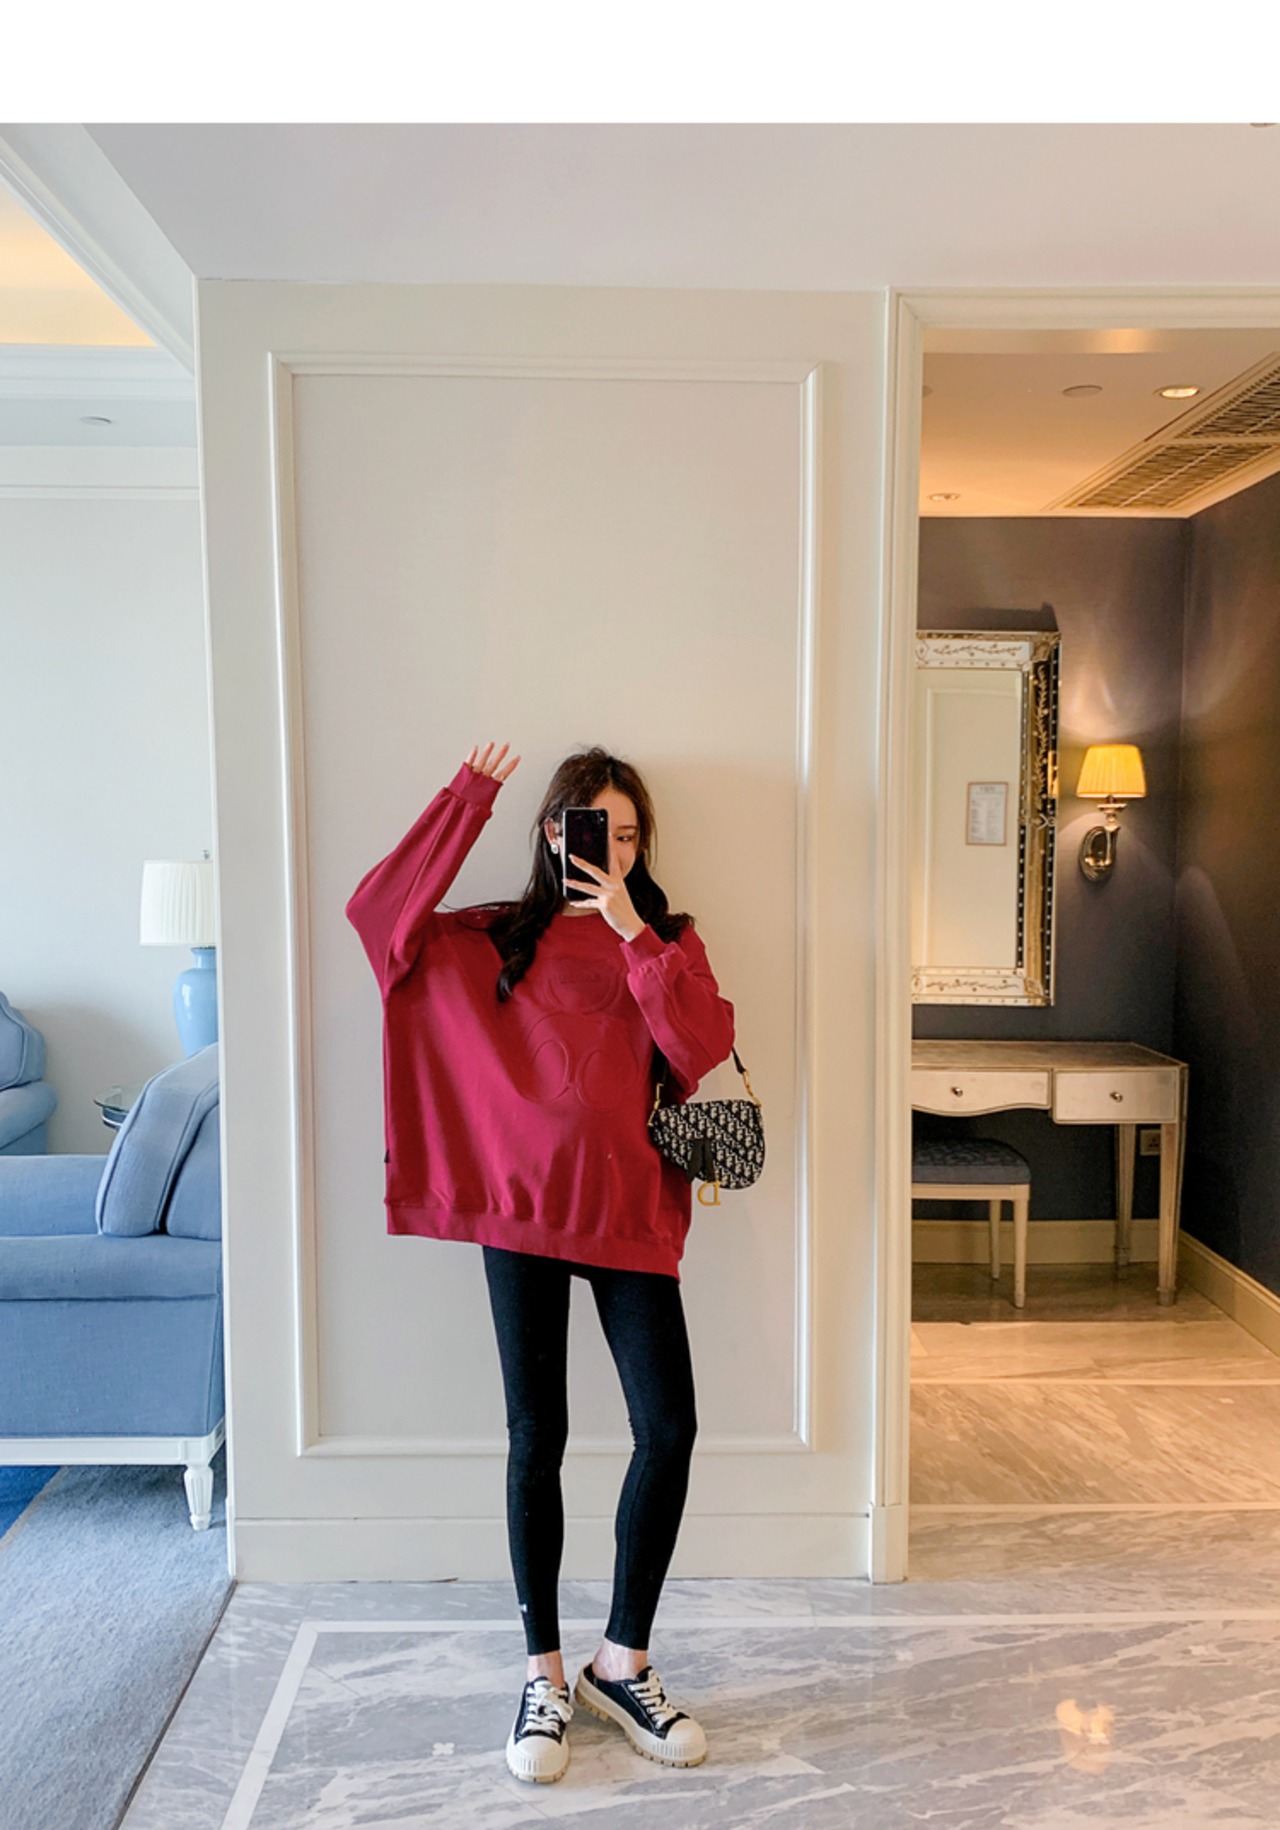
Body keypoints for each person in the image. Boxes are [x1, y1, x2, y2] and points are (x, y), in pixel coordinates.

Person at [345, 739, 736, 1785]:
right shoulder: (490, 938)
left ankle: (622, 1663)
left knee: (668, 1428)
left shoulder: (666, 939)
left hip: (627, 1215)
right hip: (517, 1215)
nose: (609, 848)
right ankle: (543, 1675)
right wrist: (463, 801)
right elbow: (378, 921)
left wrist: (633, 931)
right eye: (588, 828)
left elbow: (700, 1048)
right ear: (550, 833)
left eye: (627, 833)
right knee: (538, 1437)